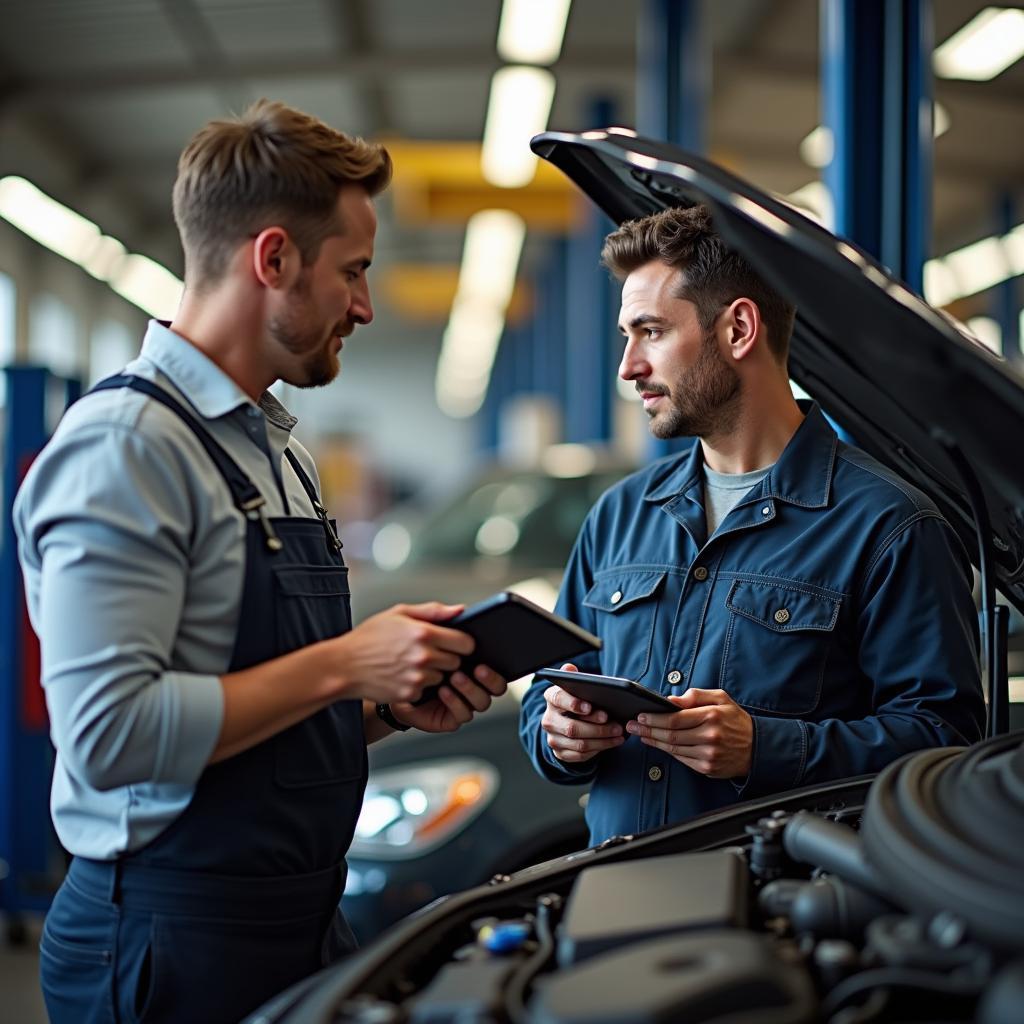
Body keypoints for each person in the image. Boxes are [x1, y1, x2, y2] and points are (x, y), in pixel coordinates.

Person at [15, 100, 507, 1024]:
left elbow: (248, 708)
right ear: (273, 259)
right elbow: (112, 737)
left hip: (296, 925)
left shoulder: (274, 445)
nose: (362, 304)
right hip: (169, 943)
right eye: (353, 271)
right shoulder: (128, 449)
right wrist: (346, 661)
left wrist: (377, 706)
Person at [519, 204, 985, 846]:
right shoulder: (619, 517)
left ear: (739, 329)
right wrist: (559, 734)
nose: (628, 367)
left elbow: (945, 746)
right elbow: (546, 692)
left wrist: (764, 747)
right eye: (627, 336)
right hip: (612, 897)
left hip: (777, 919)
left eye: (650, 332)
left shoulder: (888, 527)